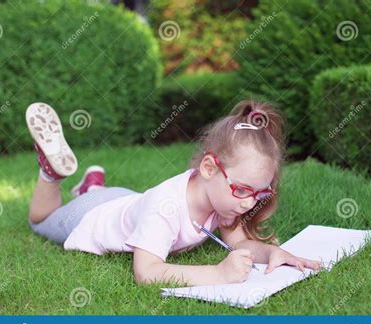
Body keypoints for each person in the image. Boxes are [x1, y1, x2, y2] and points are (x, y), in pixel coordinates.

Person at [26, 100, 323, 286]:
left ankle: (92, 184)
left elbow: (241, 242)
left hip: (124, 200)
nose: (248, 203)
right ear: (209, 167)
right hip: (90, 215)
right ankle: (51, 174)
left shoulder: (224, 201)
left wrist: (273, 252)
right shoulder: (165, 208)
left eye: (259, 195)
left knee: (122, 204)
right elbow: (147, 272)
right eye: (242, 190)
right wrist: (218, 274)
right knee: (40, 220)